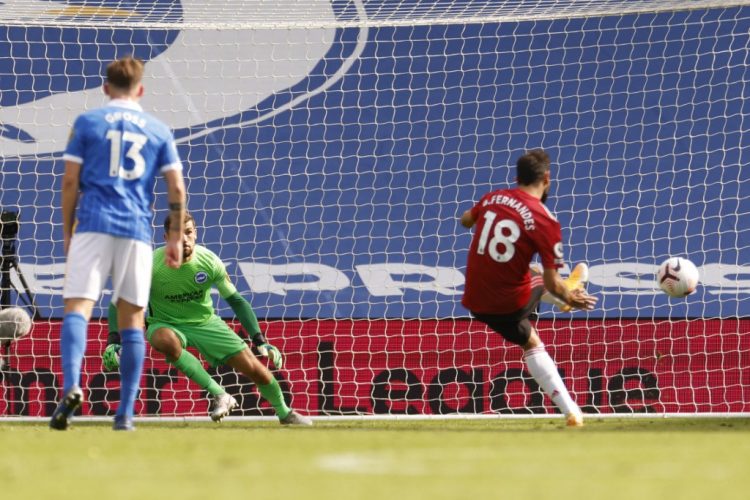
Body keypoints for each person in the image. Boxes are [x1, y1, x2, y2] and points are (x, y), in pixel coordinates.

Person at [51, 56, 186, 431]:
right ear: (140, 90)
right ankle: (125, 414)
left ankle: (72, 386)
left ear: (105, 87)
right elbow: (176, 187)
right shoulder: (158, 130)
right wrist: (175, 237)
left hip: (93, 225)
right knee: (132, 321)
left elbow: (70, 181)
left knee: (78, 308)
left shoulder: (87, 122)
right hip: (136, 231)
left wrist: (68, 231)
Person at [102, 213, 312, 426]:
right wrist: (113, 340)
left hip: (205, 323)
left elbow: (236, 301)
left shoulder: (209, 261)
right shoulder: (149, 265)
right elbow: (118, 302)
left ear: (196, 234)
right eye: (176, 234)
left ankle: (285, 413)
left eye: (188, 232)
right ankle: (220, 394)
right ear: (166, 238)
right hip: (166, 323)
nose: (184, 239)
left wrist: (259, 339)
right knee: (163, 339)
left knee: (256, 370)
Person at [460, 148, 597, 427]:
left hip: (475, 299)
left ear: (517, 178)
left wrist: (481, 213)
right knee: (543, 280)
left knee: (531, 338)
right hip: (508, 302)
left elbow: (465, 221)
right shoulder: (545, 220)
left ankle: (572, 412)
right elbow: (552, 282)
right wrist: (570, 296)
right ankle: (570, 409)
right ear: (547, 179)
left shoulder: (493, 197)